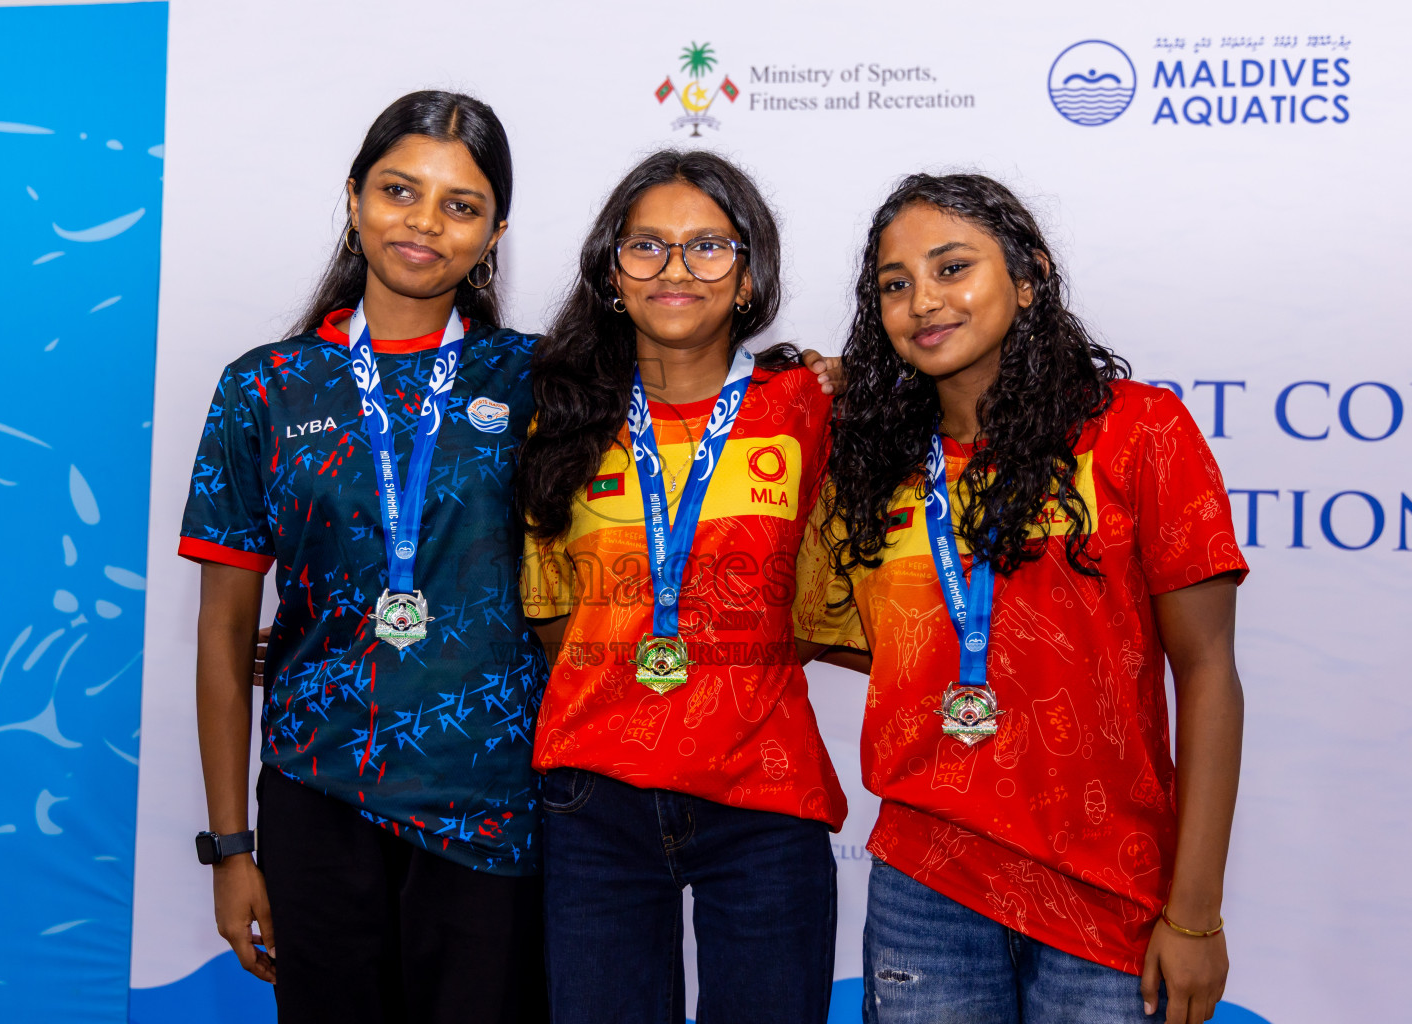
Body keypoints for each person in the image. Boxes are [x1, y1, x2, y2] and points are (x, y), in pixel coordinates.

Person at [797, 173, 1247, 1024]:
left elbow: (1209, 672)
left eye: (952, 267)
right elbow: (866, 642)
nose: (924, 301)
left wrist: (1195, 914)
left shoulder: (1138, 431)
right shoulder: (874, 464)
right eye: (895, 285)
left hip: (1108, 883)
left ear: (1030, 277)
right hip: (924, 885)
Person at [180, 90, 548, 1024]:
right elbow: (225, 639)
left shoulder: (540, 377)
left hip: (492, 806)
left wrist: (808, 370)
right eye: (399, 190)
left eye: (461, 205)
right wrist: (231, 846)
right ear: (353, 198)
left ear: (496, 229)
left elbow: (688, 385)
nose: (425, 224)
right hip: (317, 797)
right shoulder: (264, 386)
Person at [516, 149, 848, 1024]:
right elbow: (553, 616)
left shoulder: (809, 409)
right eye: (647, 246)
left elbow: (835, 596)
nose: (674, 269)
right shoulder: (559, 415)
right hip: (593, 799)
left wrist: (735, 657)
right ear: (611, 273)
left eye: (707, 247)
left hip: (764, 798)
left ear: (748, 276)